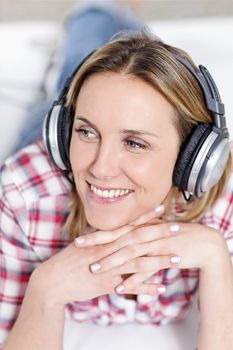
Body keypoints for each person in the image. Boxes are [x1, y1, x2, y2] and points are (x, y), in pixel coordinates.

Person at [1, 6, 233, 350]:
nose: (101, 168)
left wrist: (216, 258)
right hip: (39, 142)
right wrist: (44, 290)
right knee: (80, 51)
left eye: (135, 142)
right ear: (63, 133)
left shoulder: (222, 204)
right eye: (86, 132)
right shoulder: (24, 194)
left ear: (191, 157)